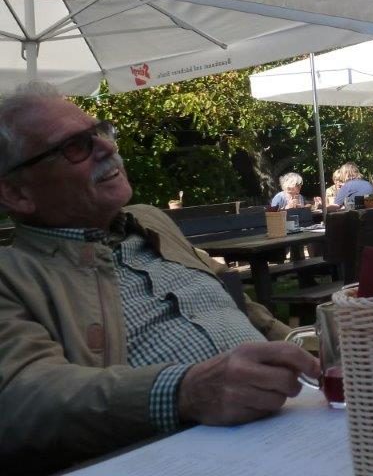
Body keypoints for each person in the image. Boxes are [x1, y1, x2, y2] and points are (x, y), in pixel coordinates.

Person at [0, 83, 317, 473]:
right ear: (16, 193)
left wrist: (312, 345)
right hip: (180, 455)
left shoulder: (150, 220)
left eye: (100, 131)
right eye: (75, 147)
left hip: (295, 418)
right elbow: (22, 396)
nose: (107, 147)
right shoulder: (12, 275)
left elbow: (235, 301)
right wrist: (184, 391)